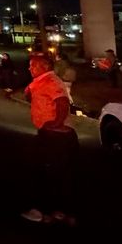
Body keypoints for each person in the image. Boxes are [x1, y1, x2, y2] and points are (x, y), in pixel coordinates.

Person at [21, 53, 78, 225]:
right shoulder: (41, 81)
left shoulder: (51, 81)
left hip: (56, 136)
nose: (29, 68)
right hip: (50, 133)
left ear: (45, 67)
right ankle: (60, 210)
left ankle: (47, 211)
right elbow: (29, 94)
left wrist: (55, 123)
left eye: (33, 65)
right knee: (54, 173)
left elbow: (62, 102)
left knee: (49, 173)